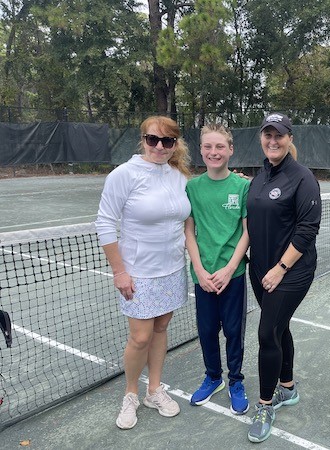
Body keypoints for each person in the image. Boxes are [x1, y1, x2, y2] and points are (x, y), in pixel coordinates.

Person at [95, 116, 191, 430]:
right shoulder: (124, 174)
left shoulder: (179, 175)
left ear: (175, 144)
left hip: (174, 268)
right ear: (143, 140)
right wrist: (119, 271)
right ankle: (131, 394)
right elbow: (105, 223)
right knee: (139, 337)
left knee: (161, 328)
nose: (160, 147)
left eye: (167, 141)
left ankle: (154, 390)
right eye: (153, 139)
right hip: (138, 272)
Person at [246, 113, 322, 443]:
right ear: (262, 138)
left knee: (266, 334)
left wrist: (280, 269)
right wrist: (262, 269)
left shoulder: (303, 178)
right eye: (268, 135)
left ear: (290, 138)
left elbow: (308, 229)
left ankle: (265, 404)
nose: (273, 141)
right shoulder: (259, 177)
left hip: (290, 273)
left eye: (279, 135)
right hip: (260, 272)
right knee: (279, 327)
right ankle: (287, 388)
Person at [184, 123, 250, 415]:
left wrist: (229, 268)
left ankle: (235, 381)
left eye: (219, 146)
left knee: (234, 332)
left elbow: (247, 232)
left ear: (230, 149)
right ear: (201, 150)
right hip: (203, 277)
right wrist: (199, 269)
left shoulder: (243, 186)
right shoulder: (192, 187)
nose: (214, 152)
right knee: (207, 331)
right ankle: (213, 378)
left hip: (232, 276)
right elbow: (189, 231)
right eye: (208, 147)